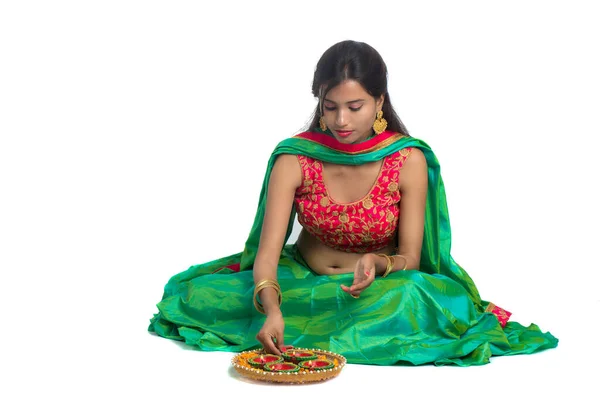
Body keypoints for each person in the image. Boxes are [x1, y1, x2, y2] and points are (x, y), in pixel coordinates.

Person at [148, 40, 558, 366]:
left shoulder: (407, 160)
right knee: (202, 298)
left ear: (380, 102)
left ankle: (331, 326)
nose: (341, 121)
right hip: (296, 283)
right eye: (330, 108)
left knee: (415, 298)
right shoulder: (295, 157)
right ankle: (294, 322)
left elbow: (411, 257)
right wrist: (270, 307)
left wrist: (380, 264)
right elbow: (267, 256)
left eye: (355, 107)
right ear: (319, 103)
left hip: (376, 292)